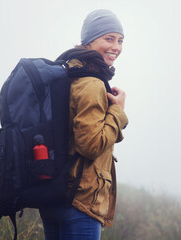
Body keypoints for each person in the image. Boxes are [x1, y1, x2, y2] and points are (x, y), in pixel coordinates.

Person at [39, 9, 128, 240]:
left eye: (120, 40)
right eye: (108, 38)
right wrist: (117, 112)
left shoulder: (67, 73)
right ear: (89, 41)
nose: (116, 47)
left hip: (54, 194)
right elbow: (91, 145)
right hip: (79, 202)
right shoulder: (91, 83)